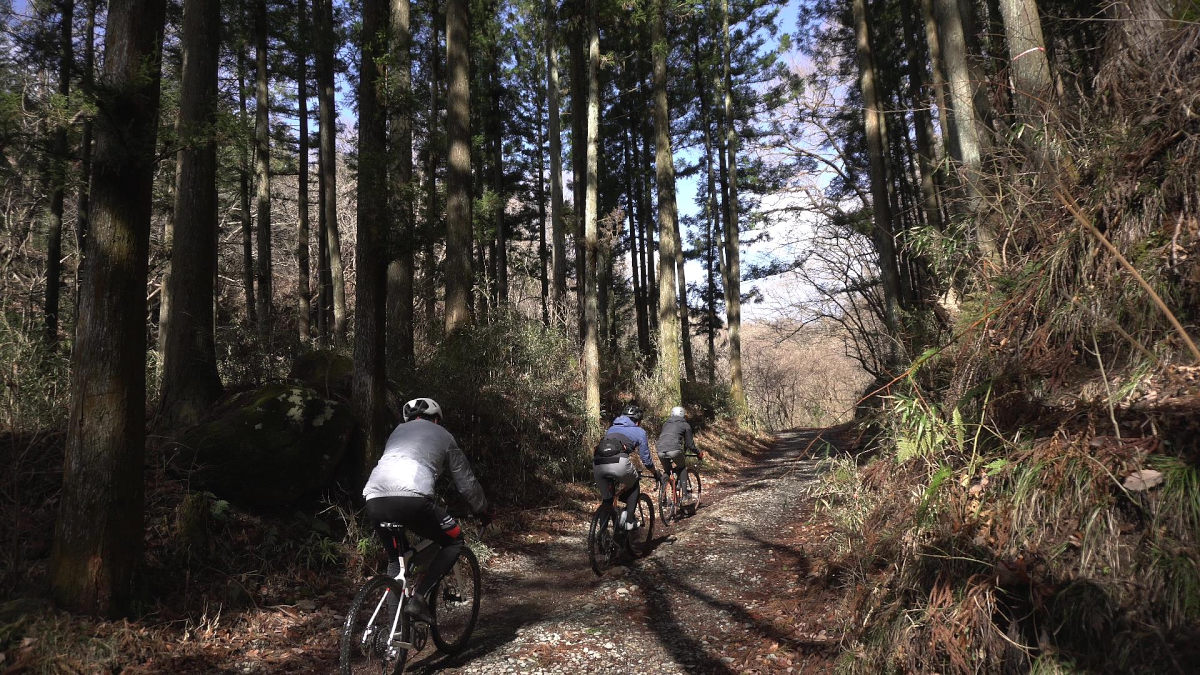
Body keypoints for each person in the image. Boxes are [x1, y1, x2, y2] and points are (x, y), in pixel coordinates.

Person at [362, 397, 491, 624]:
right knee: (454, 540)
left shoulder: (397, 432)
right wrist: (482, 510)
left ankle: (394, 639)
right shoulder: (443, 435)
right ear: (437, 419)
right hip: (412, 500)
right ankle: (419, 598)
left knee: (396, 560)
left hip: (374, 499)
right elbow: (466, 483)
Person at [593, 403, 662, 530]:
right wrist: (655, 473)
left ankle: (602, 536)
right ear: (637, 421)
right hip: (619, 462)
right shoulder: (640, 431)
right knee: (634, 483)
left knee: (607, 500)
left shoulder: (611, 428)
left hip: (597, 463)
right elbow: (646, 459)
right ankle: (629, 520)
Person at [657, 405, 702, 504]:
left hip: (660, 450)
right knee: (682, 467)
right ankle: (685, 497)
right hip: (674, 450)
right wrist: (698, 453)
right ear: (683, 414)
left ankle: (663, 498)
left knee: (668, 471)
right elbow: (690, 444)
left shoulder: (666, 424)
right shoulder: (685, 425)